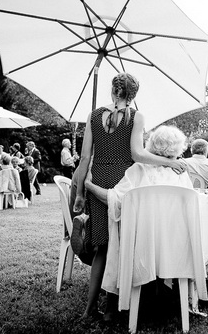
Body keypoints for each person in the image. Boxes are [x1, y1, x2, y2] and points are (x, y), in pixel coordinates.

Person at [72, 73, 186, 322]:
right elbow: (137, 154)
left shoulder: (93, 116)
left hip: (99, 179)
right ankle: (112, 308)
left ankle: (90, 308)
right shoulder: (136, 117)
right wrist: (168, 161)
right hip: (125, 180)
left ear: (113, 91)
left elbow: (83, 159)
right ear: (134, 95)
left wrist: (81, 192)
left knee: (103, 246)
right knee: (121, 243)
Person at [82, 125, 193, 310]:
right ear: (178, 147)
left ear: (151, 145)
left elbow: (115, 199)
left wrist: (89, 185)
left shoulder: (139, 169)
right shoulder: (181, 172)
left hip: (141, 245)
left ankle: (122, 300)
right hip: (176, 245)